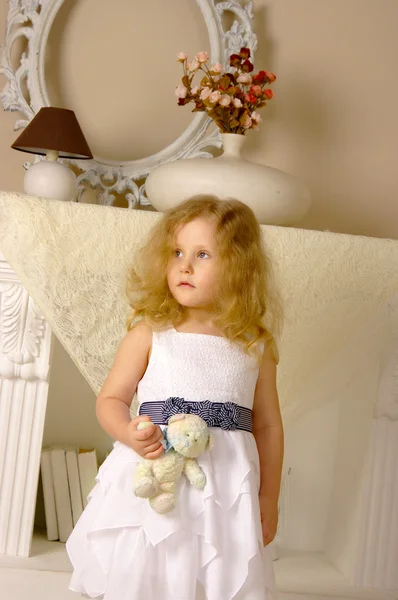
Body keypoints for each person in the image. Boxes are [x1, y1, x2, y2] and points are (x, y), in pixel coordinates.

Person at [66, 195, 284, 600]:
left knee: (212, 569)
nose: (185, 265)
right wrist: (128, 432)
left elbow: (268, 425)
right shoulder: (150, 332)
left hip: (222, 492)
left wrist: (268, 497)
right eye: (178, 252)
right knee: (147, 560)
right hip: (152, 474)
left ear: (238, 267)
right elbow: (111, 399)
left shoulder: (254, 346)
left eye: (203, 254)